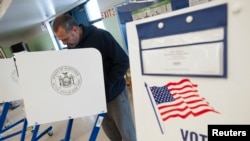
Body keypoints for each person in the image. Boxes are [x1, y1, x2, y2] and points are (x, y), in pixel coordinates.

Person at [52, 14, 137, 141]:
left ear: (75, 30)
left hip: (115, 95)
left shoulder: (101, 36)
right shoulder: (72, 46)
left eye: (65, 38)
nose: (64, 43)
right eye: (61, 41)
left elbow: (123, 61)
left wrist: (108, 84)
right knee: (112, 135)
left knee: (127, 134)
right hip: (96, 100)